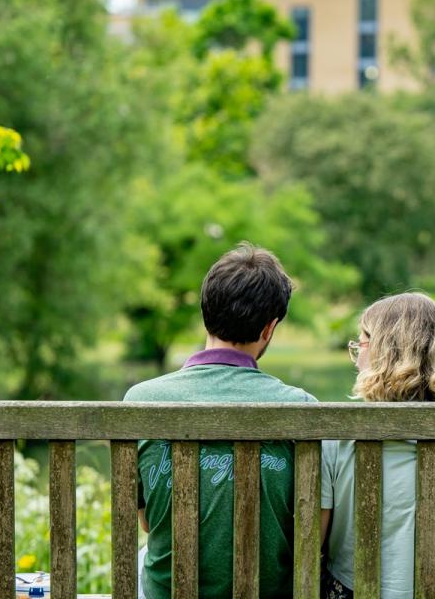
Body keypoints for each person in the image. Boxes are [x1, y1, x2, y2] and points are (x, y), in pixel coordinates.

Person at [125, 243, 316, 599]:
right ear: (269, 329)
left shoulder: (141, 401)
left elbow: (150, 522)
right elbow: (308, 530)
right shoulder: (300, 407)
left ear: (206, 313)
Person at [320, 292, 435, 599]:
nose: (356, 356)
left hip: (349, 591)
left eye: (360, 344)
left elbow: (315, 538)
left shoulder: (336, 434)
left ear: (382, 355)